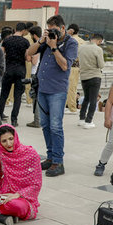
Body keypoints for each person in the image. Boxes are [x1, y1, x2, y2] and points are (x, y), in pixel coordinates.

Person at [25, 15, 78, 177]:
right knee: (46, 125)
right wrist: (42, 41)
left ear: (63, 28)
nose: (52, 32)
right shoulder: (46, 40)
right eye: (49, 29)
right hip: (43, 89)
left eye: (54, 29)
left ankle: (58, 161)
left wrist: (54, 47)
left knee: (56, 126)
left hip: (57, 90)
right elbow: (29, 53)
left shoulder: (71, 43)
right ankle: (50, 157)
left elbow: (64, 65)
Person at [0, 22, 31, 126]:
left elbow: (1, 55)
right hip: (20, 70)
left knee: (4, 94)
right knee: (17, 96)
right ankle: (14, 119)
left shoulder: (7, 40)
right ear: (24, 31)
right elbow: (27, 57)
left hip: (8, 69)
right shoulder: (25, 42)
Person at [77, 33, 106, 129]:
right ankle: (88, 121)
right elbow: (101, 65)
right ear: (99, 41)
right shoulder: (98, 49)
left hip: (84, 76)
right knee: (93, 100)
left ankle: (81, 119)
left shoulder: (81, 47)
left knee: (86, 98)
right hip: (94, 76)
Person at [25, 25, 43, 128]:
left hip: (35, 73)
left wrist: (29, 56)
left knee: (36, 98)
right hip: (40, 73)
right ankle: (38, 120)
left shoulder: (37, 45)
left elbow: (34, 60)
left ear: (34, 35)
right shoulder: (45, 43)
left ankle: (37, 121)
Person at [65, 23, 85, 112]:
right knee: (73, 87)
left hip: (68, 65)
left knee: (68, 88)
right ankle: (70, 106)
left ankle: (71, 107)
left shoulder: (69, 40)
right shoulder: (83, 42)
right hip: (77, 66)